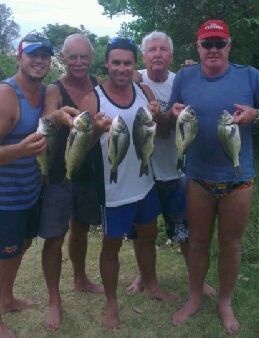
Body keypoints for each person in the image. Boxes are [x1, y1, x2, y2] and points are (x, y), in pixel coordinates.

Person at [169, 19, 259, 334]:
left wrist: (257, 115)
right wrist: (172, 113)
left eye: (219, 43)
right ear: (197, 47)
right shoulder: (184, 76)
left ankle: (224, 301)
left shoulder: (250, 76)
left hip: (239, 179)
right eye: (207, 44)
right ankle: (195, 295)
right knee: (198, 241)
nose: (213, 49)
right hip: (197, 177)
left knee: (231, 243)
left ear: (229, 45)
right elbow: (172, 111)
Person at [79, 37, 177, 330]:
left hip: (145, 183)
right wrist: (94, 131)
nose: (122, 69)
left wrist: (159, 118)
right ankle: (111, 303)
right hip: (112, 191)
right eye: (116, 63)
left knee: (147, 237)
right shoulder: (92, 99)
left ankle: (152, 284)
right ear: (107, 64)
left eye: (127, 63)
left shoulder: (143, 90)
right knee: (111, 248)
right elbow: (80, 149)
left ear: (135, 66)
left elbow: (158, 136)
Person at [127, 31, 215, 298]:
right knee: (143, 232)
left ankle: (197, 280)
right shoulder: (132, 80)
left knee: (184, 232)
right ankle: (143, 275)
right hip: (140, 173)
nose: (157, 54)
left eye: (163, 49)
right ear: (144, 56)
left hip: (176, 171)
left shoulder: (184, 82)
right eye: (152, 49)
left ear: (171, 56)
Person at [38, 33, 104, 331]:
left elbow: (133, 81)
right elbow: (47, 116)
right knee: (54, 236)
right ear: (63, 58)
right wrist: (58, 116)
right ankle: (54, 299)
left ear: (91, 57)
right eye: (72, 56)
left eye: (84, 56)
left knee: (80, 228)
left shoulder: (99, 84)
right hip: (57, 173)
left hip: (89, 170)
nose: (78, 62)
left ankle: (80, 278)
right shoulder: (55, 88)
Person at [0, 33, 53, 338]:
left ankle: (7, 298)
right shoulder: (7, 94)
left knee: (19, 248)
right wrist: (20, 150)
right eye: (32, 54)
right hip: (5, 198)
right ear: (19, 57)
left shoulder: (43, 92)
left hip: (29, 191)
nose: (39, 60)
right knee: (4, 254)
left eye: (45, 55)